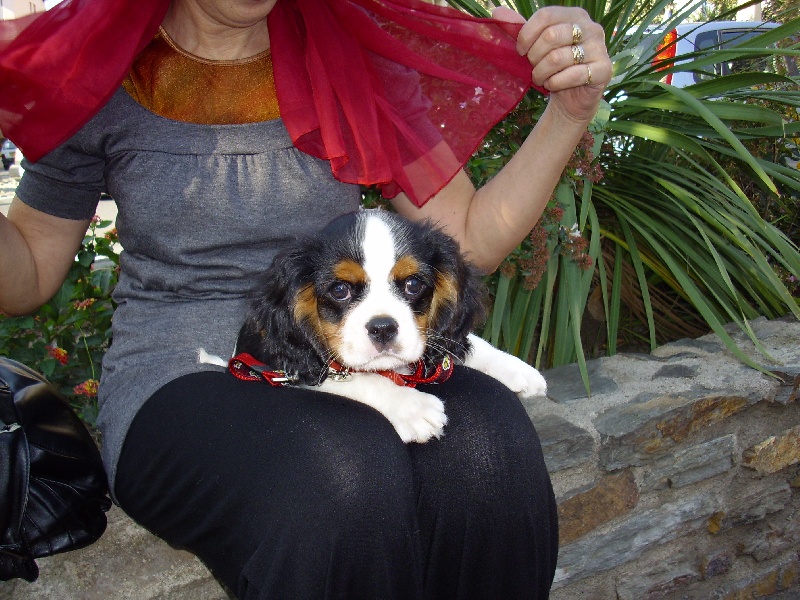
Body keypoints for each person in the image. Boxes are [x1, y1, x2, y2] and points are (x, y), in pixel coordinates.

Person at [0, 0, 611, 597]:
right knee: (341, 472)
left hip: (338, 348)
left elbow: (468, 242)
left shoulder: (348, 62)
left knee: (491, 440)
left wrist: (568, 111)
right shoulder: (97, 74)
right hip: (178, 372)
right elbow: (24, 278)